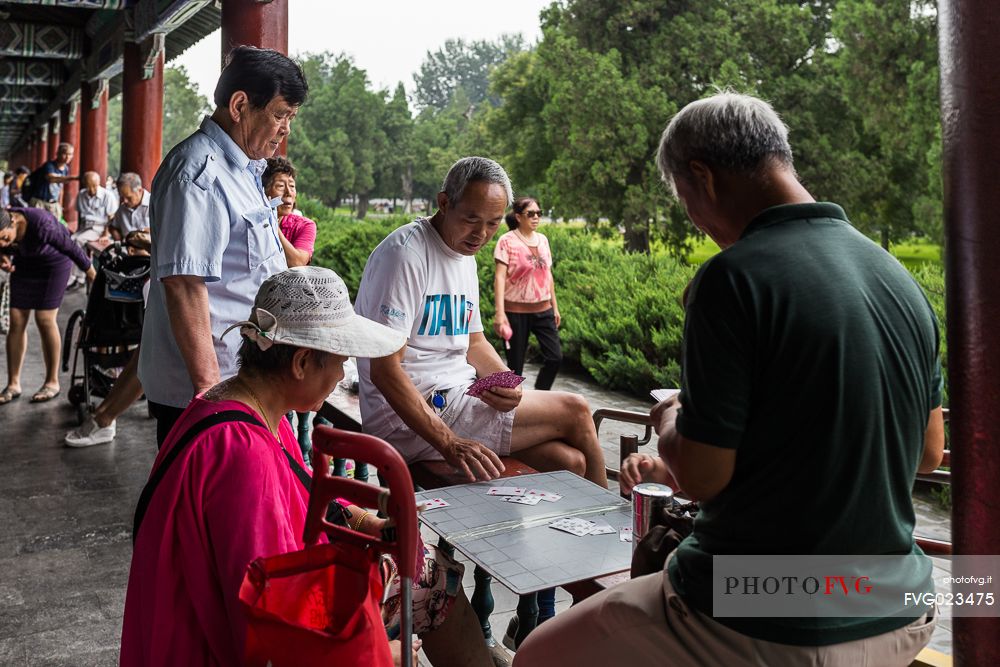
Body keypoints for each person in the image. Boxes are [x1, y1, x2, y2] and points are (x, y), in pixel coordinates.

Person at [514, 93, 945, 667]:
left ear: (702, 177)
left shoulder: (733, 278)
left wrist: (671, 418)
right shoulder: (899, 280)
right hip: (901, 602)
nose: (696, 220)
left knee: (540, 655)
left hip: (766, 612)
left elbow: (704, 476)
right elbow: (926, 453)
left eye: (686, 201)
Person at [120, 267, 494, 667]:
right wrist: (376, 656)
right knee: (435, 584)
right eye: (338, 362)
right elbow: (270, 622)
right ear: (300, 363)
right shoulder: (244, 455)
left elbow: (300, 496)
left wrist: (362, 521)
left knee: (430, 568)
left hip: (210, 614)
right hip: (206, 644)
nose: (340, 376)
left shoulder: (245, 405)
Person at [355, 156, 607, 487]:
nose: (481, 234)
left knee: (569, 461)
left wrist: (507, 383)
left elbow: (474, 342)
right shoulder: (406, 255)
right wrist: (449, 443)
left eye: (493, 223)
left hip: (457, 396)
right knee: (576, 409)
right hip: (409, 419)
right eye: (472, 219)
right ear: (444, 203)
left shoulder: (464, 254)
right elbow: (385, 370)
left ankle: (560, 534)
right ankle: (622, 527)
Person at [138, 45, 307, 447]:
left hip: (242, 382)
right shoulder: (197, 173)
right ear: (240, 105)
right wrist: (210, 397)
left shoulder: (247, 170)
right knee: (204, 504)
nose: (286, 130)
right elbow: (184, 285)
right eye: (281, 115)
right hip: (210, 393)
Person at [0, 208, 96, 404]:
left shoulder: (42, 225)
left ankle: (52, 382)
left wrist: (95, 279)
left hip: (54, 265)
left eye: (3, 237)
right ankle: (13, 384)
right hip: (25, 265)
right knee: (16, 319)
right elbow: (2, 249)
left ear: (13, 222)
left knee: (44, 319)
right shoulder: (4, 227)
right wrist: (3, 257)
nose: (2, 242)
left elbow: (72, 249)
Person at [493, 197, 562, 390]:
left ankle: (540, 397)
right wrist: (500, 313)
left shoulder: (543, 240)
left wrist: (555, 307)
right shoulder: (506, 241)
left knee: (555, 358)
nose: (536, 217)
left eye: (538, 213)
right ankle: (511, 412)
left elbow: (548, 275)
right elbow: (499, 278)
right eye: (530, 214)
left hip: (543, 309)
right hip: (514, 312)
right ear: (518, 216)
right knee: (515, 369)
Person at [263, 156, 316, 267]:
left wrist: (273, 225)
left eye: (292, 186)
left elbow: (297, 263)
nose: (289, 192)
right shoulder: (253, 223)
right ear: (263, 191)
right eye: (281, 186)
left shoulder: (304, 225)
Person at [68, 171, 118, 289]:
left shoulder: (107, 195)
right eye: (88, 186)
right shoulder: (81, 194)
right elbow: (81, 216)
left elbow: (111, 218)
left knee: (76, 240)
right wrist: (78, 229)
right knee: (72, 238)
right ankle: (79, 275)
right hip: (85, 227)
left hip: (99, 228)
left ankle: (77, 277)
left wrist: (105, 234)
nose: (91, 189)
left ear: (99, 183)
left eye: (94, 186)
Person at [27, 143, 78, 220]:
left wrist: (60, 203)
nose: (67, 157)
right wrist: (73, 178)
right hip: (39, 202)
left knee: (54, 227)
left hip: (53, 203)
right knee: (37, 225)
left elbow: (61, 188)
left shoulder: (66, 169)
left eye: (70, 154)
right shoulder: (49, 165)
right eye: (65, 154)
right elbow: (51, 179)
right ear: (57, 153)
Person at [108, 172, 151, 241]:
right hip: (126, 248)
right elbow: (113, 226)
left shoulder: (153, 205)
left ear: (139, 191)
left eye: (128, 197)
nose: (124, 201)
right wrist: (116, 235)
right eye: (122, 197)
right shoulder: (122, 209)